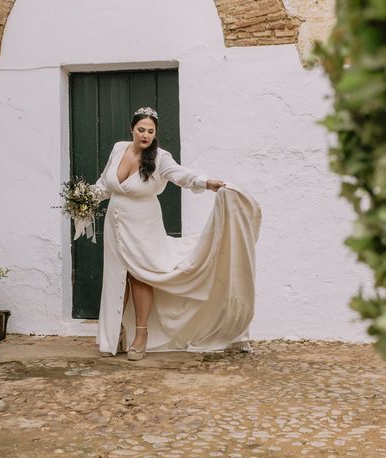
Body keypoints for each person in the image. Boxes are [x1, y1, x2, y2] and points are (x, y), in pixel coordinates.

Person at [94, 107, 261, 360]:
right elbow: (105, 184)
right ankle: (115, 331)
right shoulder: (119, 148)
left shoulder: (160, 157)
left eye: (151, 131)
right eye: (141, 130)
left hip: (143, 225)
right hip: (114, 222)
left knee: (140, 275)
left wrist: (206, 182)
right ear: (132, 129)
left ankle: (141, 334)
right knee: (117, 274)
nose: (146, 135)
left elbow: (180, 175)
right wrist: (84, 200)